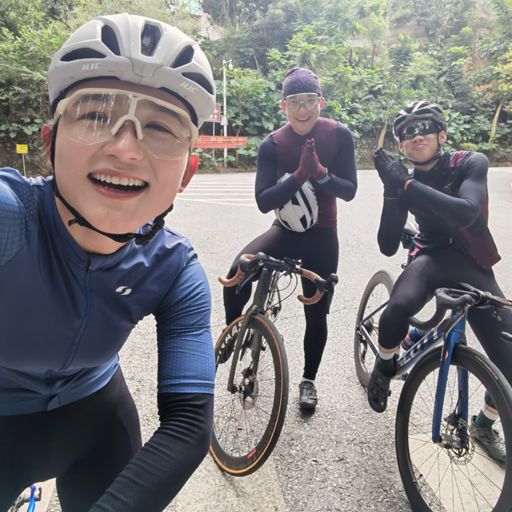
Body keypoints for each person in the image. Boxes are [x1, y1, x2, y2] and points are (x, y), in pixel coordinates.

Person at [0, 13, 216, 511]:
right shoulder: (11, 218)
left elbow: (189, 425)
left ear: (187, 173)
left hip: (97, 425)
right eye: (96, 114)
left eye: (160, 127)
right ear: (50, 143)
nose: (125, 149)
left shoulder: (175, 269)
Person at [368, 100, 512, 463]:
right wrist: (391, 190)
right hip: (429, 257)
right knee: (397, 309)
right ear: (401, 144)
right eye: (406, 133)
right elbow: (387, 244)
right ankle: (383, 367)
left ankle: (483, 423)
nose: (415, 137)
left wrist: (404, 183)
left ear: (442, 135)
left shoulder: (470, 163)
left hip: (471, 261)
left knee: (510, 357)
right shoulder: (404, 179)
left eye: (424, 129)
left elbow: (466, 212)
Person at [222, 67, 357, 411]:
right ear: (283, 106)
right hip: (285, 231)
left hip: (323, 235)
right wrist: (299, 175)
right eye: (294, 102)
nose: (302, 109)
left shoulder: (339, 135)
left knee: (317, 311)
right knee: (237, 272)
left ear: (321, 102)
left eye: (309, 101)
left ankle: (308, 380)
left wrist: (321, 173)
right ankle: (234, 331)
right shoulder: (273, 144)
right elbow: (263, 200)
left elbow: (350, 191)